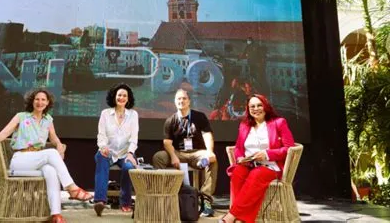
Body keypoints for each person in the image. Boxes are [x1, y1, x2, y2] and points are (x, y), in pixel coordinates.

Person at [0, 89, 93, 223]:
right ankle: (72, 188)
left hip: (37, 160)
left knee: (51, 171)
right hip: (20, 160)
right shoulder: (21, 116)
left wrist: (59, 145)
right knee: (51, 153)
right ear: (32, 101)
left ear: (47, 103)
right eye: (37, 99)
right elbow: (5, 133)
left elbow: (54, 138)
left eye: (43, 100)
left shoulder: (48, 120)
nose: (40, 102)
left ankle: (56, 215)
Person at [220, 94, 295, 223]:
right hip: (248, 165)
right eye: (252, 106)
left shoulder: (279, 123)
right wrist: (240, 158)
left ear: (265, 106)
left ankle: (232, 216)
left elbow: (289, 148)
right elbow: (238, 147)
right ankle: (242, 219)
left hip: (271, 166)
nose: (256, 109)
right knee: (237, 172)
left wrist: (267, 154)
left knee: (257, 174)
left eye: (259, 105)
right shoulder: (245, 125)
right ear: (248, 109)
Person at [152, 89, 218, 217]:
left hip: (197, 153)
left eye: (184, 98)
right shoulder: (171, 120)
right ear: (175, 102)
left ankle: (205, 200)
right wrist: (173, 156)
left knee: (212, 160)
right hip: (179, 153)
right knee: (158, 157)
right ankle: (166, 194)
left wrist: (209, 152)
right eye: (178, 99)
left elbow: (207, 134)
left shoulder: (199, 116)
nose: (181, 101)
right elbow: (167, 142)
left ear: (189, 101)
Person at [93, 83, 139, 216]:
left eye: (125, 95)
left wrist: (131, 153)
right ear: (114, 97)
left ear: (128, 99)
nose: (122, 98)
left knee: (128, 167)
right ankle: (100, 201)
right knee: (101, 159)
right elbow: (101, 134)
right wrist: (103, 147)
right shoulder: (105, 114)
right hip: (108, 151)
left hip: (126, 152)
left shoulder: (133, 115)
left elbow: (134, 137)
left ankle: (125, 202)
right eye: (119, 95)